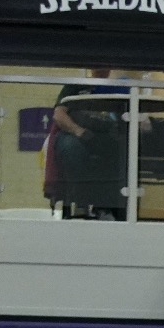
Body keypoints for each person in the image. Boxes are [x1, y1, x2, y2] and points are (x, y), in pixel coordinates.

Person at [49, 70, 127, 218]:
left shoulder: (119, 87)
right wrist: (79, 131)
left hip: (107, 135)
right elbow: (59, 115)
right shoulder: (75, 86)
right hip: (77, 134)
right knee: (70, 148)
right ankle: (79, 203)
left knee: (124, 150)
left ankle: (110, 209)